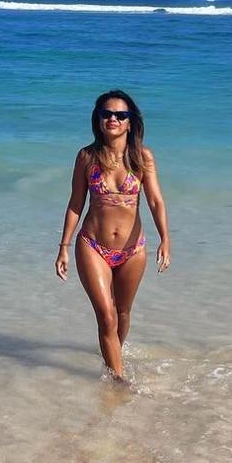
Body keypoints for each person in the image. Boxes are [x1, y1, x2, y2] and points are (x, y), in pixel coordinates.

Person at [55, 90, 170, 380]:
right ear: (98, 120)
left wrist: (165, 239)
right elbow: (75, 204)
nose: (113, 119)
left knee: (122, 315)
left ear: (131, 122)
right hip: (93, 245)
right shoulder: (87, 156)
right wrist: (64, 246)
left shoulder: (143, 157)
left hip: (134, 249)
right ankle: (118, 380)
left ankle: (111, 356)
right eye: (107, 114)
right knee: (106, 315)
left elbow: (156, 200)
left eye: (121, 115)